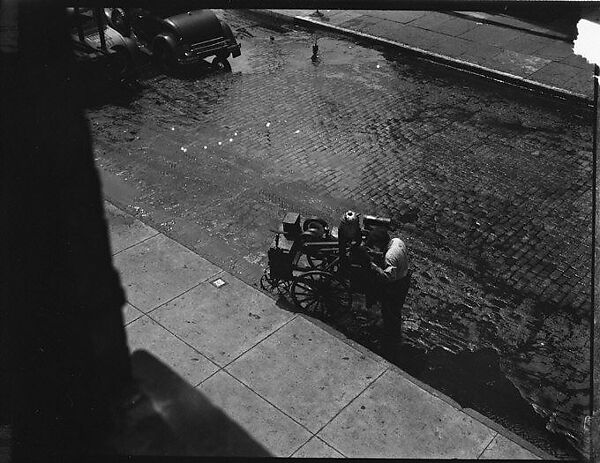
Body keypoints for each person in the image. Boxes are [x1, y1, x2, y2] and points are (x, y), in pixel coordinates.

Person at [358, 227, 410, 350]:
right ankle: (392, 332)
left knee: (390, 310)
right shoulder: (397, 241)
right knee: (395, 309)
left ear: (379, 243)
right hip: (404, 276)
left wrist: (373, 266)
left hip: (397, 284)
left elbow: (388, 277)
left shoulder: (389, 257)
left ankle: (391, 340)